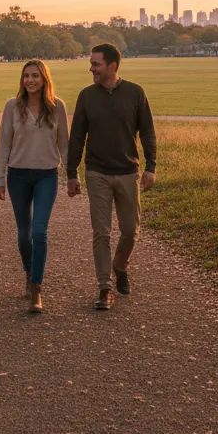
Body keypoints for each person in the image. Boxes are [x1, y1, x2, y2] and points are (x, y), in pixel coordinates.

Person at [66, 43, 157, 311]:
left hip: (129, 171)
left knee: (130, 231)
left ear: (113, 66)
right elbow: (77, 138)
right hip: (97, 172)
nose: (91, 68)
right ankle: (104, 287)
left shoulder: (135, 93)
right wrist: (72, 173)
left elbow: (148, 133)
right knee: (101, 233)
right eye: (91, 64)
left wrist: (151, 167)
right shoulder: (86, 96)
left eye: (96, 64)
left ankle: (120, 265)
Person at [0, 59, 69, 314]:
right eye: (26, 76)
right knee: (24, 233)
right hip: (18, 175)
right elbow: (3, 144)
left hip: (47, 175)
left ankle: (37, 288)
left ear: (44, 78)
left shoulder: (57, 107)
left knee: (40, 232)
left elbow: (65, 145)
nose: (30, 80)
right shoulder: (12, 106)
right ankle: (28, 273)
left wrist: (72, 175)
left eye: (35, 75)